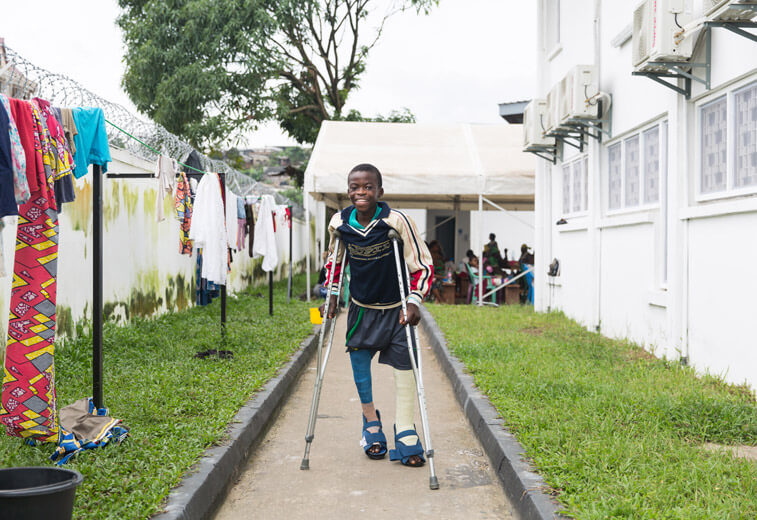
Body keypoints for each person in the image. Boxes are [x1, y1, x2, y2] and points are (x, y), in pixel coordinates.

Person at [321, 163, 433, 468]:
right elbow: (334, 262)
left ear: (379, 191)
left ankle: (406, 428)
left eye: (368, 187)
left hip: (396, 310)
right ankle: (370, 420)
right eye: (354, 187)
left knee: (404, 365)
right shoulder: (339, 223)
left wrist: (414, 301)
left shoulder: (396, 221)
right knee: (359, 362)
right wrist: (331, 296)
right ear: (348, 191)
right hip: (361, 309)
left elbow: (421, 264)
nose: (361, 193)